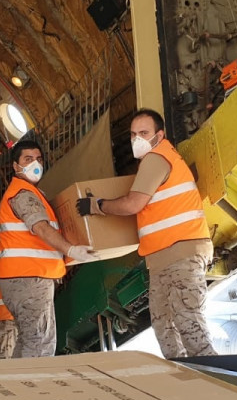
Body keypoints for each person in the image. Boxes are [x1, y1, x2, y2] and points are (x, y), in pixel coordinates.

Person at [76, 109, 217, 358]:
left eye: (143, 133)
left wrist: (97, 206)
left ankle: (220, 382)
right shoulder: (153, 161)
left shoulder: (157, 158)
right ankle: (186, 382)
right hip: (163, 259)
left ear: (159, 135)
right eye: (132, 134)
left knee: (189, 326)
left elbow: (133, 204)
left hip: (182, 252)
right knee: (165, 328)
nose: (136, 139)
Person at [0, 140, 97, 357]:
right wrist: (71, 250)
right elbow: (40, 228)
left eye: (39, 159)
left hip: (24, 278)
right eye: (28, 159)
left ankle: (16, 386)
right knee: (40, 342)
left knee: (30, 339)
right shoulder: (23, 194)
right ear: (15, 166)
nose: (35, 164)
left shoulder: (31, 193)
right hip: (28, 277)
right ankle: (33, 388)